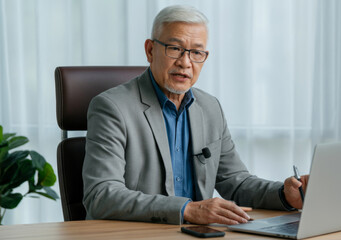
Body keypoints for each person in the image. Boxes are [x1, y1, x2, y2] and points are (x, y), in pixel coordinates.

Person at [82, 5, 308, 225]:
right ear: (150, 50)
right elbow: (101, 195)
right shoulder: (111, 107)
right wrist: (188, 209)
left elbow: (235, 182)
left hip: (197, 234)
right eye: (174, 48)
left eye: (196, 52)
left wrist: (284, 194)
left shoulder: (210, 108)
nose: (185, 62)